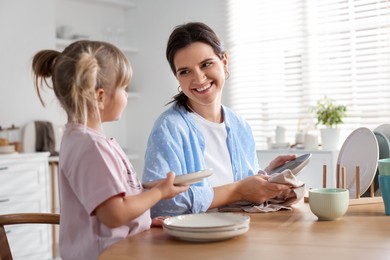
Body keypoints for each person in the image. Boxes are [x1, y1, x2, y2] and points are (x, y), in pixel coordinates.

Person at [32, 40, 189, 260]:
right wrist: (159, 193)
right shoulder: (91, 147)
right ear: (100, 96)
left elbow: (114, 196)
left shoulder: (82, 140)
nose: (126, 95)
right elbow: (114, 214)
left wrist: (141, 221)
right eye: (123, 88)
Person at [142, 22, 296, 218]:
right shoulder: (169, 129)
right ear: (177, 78)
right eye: (185, 71)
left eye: (206, 64)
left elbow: (239, 183)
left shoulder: (239, 125)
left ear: (224, 62)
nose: (198, 79)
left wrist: (267, 175)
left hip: (241, 231)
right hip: (194, 241)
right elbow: (160, 204)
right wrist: (237, 191)